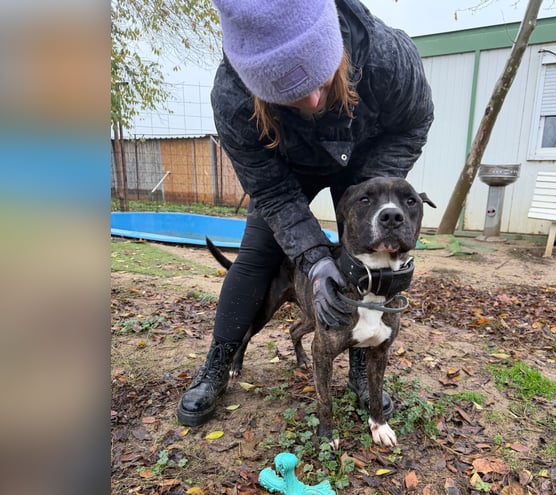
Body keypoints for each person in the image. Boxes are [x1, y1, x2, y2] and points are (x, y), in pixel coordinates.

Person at [177, 0, 434, 427]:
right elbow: (273, 194)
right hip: (285, 169)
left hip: (363, 160)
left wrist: (370, 190)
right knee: (258, 257)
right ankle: (219, 361)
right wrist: (314, 261)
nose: (313, 99)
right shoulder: (232, 97)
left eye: (319, 76)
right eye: (288, 92)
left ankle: (359, 359)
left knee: (363, 254)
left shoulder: (387, 57)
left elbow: (415, 121)